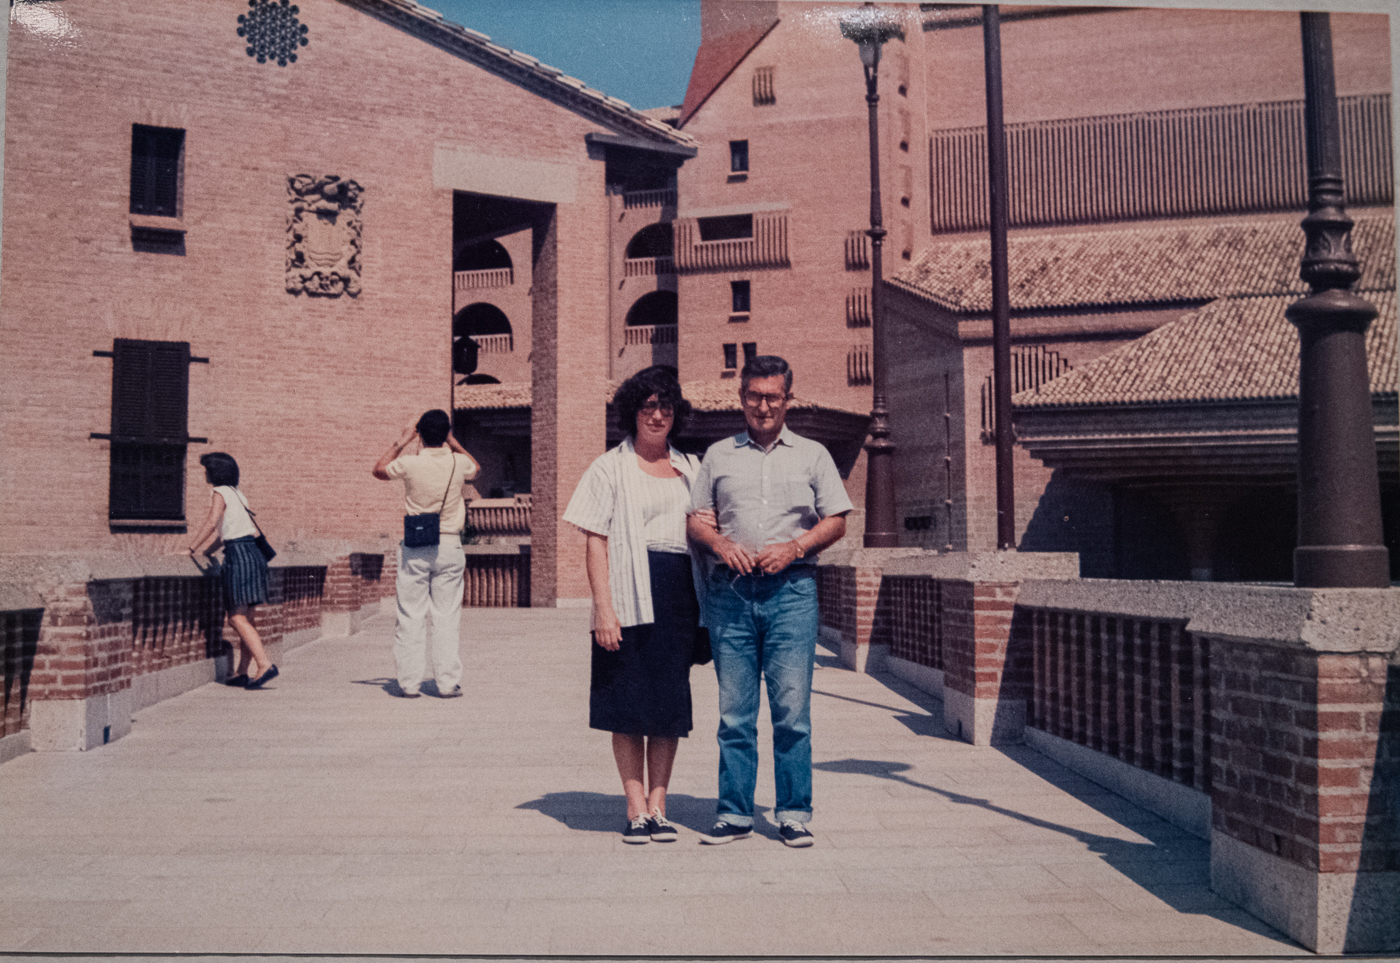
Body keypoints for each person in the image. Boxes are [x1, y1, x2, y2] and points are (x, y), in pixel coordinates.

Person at [686, 356, 853, 847]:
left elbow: (837, 518)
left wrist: (796, 547)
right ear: (742, 399)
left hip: (792, 593)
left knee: (791, 712)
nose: (763, 405)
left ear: (787, 400)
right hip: (731, 595)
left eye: (772, 397)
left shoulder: (813, 455)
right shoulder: (718, 455)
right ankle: (734, 813)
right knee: (735, 712)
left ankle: (794, 812)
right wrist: (719, 544)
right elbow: (697, 519)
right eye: (754, 396)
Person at [563, 366, 705, 844]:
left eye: (666, 406)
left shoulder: (692, 467)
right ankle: (634, 806)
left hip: (678, 592)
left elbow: (708, 528)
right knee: (625, 702)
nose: (657, 414)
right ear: (633, 411)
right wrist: (604, 609)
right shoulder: (609, 467)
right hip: (626, 592)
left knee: (667, 702)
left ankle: (660, 804)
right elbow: (594, 540)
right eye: (648, 406)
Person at [373, 409, 480, 699]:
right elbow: (476, 468)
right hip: (449, 544)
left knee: (410, 614)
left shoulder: (409, 463)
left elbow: (379, 470)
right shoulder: (459, 462)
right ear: (446, 433)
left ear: (420, 433)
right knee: (446, 617)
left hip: (416, 545)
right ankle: (446, 683)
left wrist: (402, 440)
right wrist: (453, 442)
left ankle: (409, 683)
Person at [189, 452, 278, 690]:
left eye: (206, 469)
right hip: (252, 554)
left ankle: (264, 664)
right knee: (247, 617)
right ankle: (241, 672)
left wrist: (190, 548)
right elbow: (227, 532)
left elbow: (211, 522)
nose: (205, 473)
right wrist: (206, 552)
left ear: (214, 471)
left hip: (238, 556)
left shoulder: (220, 492)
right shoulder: (239, 495)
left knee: (236, 617)